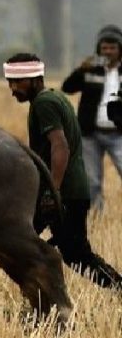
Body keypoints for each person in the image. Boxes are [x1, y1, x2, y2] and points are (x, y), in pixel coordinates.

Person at [5, 52, 121, 288]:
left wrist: (52, 192)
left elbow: (61, 147)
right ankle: (41, 296)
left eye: (18, 81)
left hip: (64, 192)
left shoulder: (44, 104)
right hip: (69, 190)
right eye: (10, 82)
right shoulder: (54, 97)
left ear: (36, 79)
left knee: (74, 254)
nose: (13, 88)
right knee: (33, 245)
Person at [61, 24, 122, 212]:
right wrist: (80, 69)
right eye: (104, 48)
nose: (108, 52)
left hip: (119, 133)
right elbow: (67, 87)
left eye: (113, 48)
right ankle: (97, 218)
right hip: (90, 134)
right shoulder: (90, 70)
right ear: (99, 49)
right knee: (92, 181)